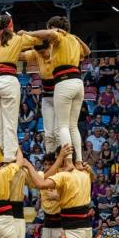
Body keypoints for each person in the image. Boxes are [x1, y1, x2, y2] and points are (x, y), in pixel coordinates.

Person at [0, 15, 59, 162]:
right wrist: (26, 33)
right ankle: (9, 158)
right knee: (9, 123)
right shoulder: (17, 38)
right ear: (10, 26)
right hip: (8, 80)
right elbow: (41, 38)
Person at [46, 16, 90, 163]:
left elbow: (47, 34)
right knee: (73, 126)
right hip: (78, 82)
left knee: (63, 126)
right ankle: (79, 162)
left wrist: (29, 33)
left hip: (64, 81)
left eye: (49, 29)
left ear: (54, 28)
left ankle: (69, 161)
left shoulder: (59, 37)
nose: (48, 32)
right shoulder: (73, 40)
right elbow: (88, 51)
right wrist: (78, 39)